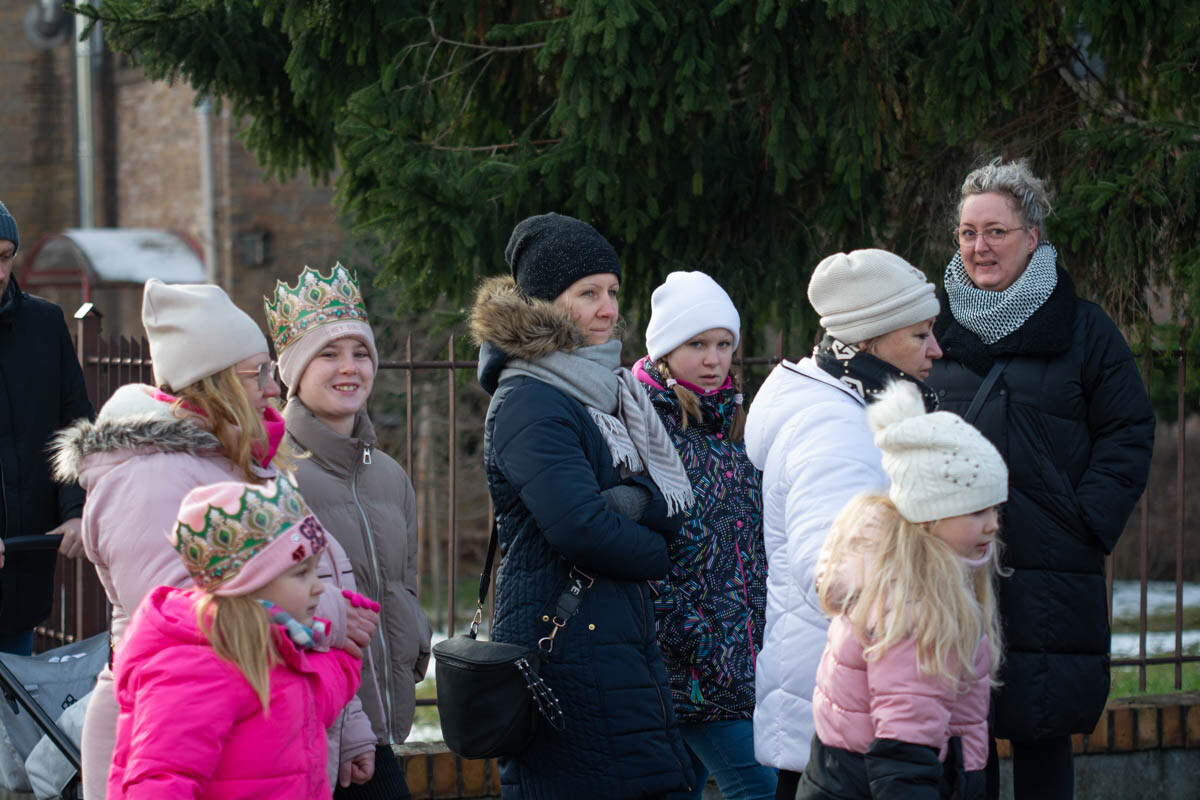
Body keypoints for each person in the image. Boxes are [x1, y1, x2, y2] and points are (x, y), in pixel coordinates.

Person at [51, 279, 376, 798]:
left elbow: (302, 571)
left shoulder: (236, 458)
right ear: (214, 383)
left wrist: (351, 724)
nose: (274, 388)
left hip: (262, 733)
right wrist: (335, 616)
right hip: (184, 738)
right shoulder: (148, 477)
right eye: (258, 373)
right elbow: (197, 615)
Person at [927, 158, 1155, 799]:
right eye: (968, 232)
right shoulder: (931, 328)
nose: (979, 246)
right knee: (960, 736)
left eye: (995, 231)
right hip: (952, 566)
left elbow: (1129, 431)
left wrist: (1084, 523)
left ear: (1032, 237)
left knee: (1042, 731)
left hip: (1051, 565)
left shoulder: (1085, 329)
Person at [469, 212, 695, 799]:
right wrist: (659, 551)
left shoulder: (609, 392)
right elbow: (582, 528)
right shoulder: (531, 400)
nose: (608, 310)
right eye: (588, 294)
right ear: (546, 303)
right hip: (563, 649)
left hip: (612, 638)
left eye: (613, 292)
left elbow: (667, 502)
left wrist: (634, 503)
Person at [743, 249, 943, 799]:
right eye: (919, 335)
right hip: (843, 723)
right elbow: (831, 573)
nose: (936, 350)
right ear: (870, 342)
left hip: (842, 709)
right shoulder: (835, 428)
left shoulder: (850, 408)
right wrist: (925, 618)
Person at [265, 263, 432, 799]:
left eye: (360, 353)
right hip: (309, 726)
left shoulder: (390, 475)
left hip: (379, 729)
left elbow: (403, 582)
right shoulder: (275, 472)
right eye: (328, 354)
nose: (349, 368)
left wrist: (415, 634)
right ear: (294, 371)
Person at [796, 380, 1007, 800]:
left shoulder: (902, 584)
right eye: (977, 511)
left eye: (995, 509)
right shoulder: (916, 607)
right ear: (931, 515)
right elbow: (905, 753)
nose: (993, 524)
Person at [108, 476, 377, 799]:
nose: (319, 587)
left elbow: (322, 689)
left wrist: (347, 648)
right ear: (250, 583)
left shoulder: (278, 651)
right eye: (301, 573)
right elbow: (162, 780)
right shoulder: (196, 668)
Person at [632, 271, 775, 800]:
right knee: (763, 788)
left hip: (746, 665)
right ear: (666, 352)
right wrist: (702, 648)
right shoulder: (645, 429)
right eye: (696, 345)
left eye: (723, 344)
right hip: (690, 673)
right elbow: (643, 558)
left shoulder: (736, 428)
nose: (714, 360)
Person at [0, 199, 93, 655]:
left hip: (23, 571)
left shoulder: (44, 324)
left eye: (5, 257)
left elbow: (74, 426)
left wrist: (75, 510)